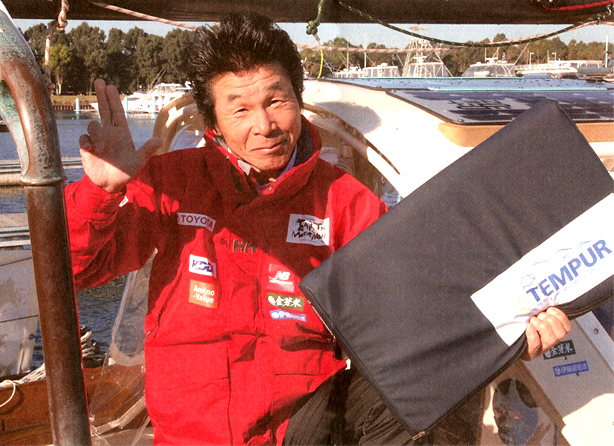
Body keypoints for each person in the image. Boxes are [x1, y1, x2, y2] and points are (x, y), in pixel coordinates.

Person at [65, 12, 572, 445]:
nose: (264, 125)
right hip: (191, 435)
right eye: (240, 109)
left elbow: (421, 315)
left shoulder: (347, 202)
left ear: (297, 97)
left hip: (304, 429)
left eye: (276, 100)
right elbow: (75, 271)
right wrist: (100, 192)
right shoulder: (171, 183)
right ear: (212, 123)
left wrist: (505, 339)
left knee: (441, 382)